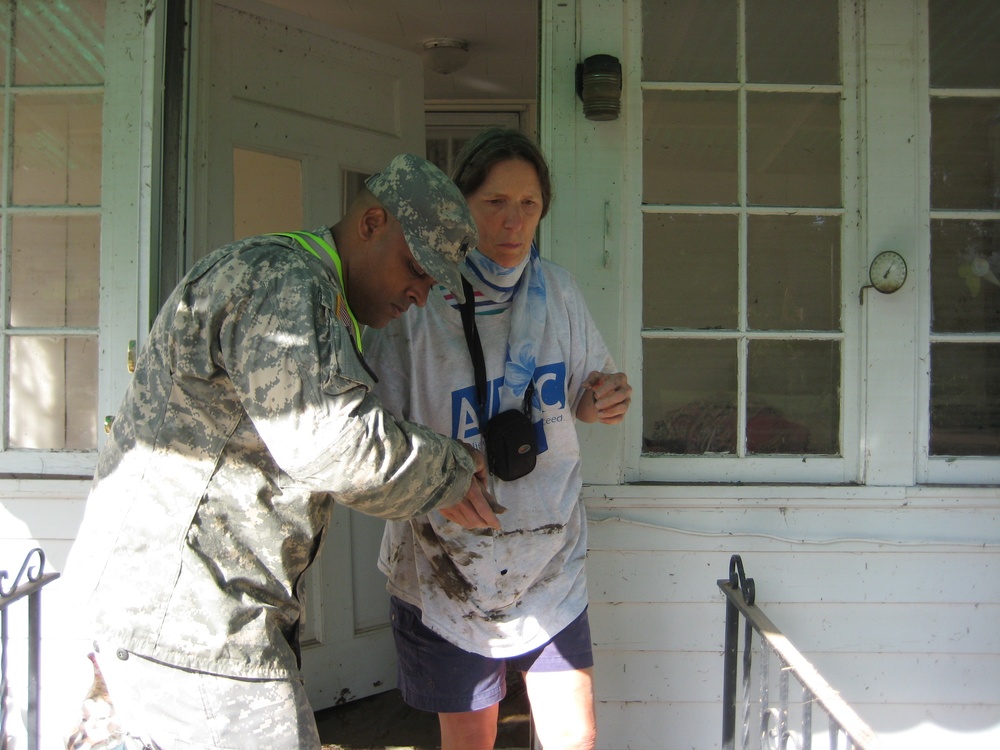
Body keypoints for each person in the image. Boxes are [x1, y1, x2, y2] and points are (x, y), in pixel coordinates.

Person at [62, 153, 503, 750]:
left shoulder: (300, 286)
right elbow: (330, 443)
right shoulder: (283, 281)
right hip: (191, 622)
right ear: (372, 223)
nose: (421, 294)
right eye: (416, 268)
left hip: (166, 615)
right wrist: (451, 470)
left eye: (432, 282)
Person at [364, 130, 632, 750]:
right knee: (470, 741)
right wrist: (433, 484)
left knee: (575, 738)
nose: (514, 223)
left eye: (529, 205)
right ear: (461, 206)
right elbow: (369, 434)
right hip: (445, 566)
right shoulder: (419, 299)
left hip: (550, 560)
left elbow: (583, 393)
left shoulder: (558, 292)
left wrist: (598, 402)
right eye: (494, 203)